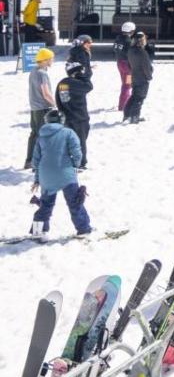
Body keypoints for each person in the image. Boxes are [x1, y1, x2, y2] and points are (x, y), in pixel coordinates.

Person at [29, 108, 91, 238]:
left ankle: (38, 232)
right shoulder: (68, 133)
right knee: (75, 202)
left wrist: (37, 179)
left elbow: (36, 161)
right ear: (62, 120)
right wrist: (76, 165)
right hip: (66, 174)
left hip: (46, 176)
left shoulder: (41, 136)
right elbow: (77, 152)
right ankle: (83, 229)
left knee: (45, 205)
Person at [57, 40, 94, 169]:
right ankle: (81, 162)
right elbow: (89, 86)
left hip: (67, 117)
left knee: (70, 141)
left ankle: (71, 160)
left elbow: (60, 100)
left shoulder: (63, 83)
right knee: (80, 142)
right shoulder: (77, 84)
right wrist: (82, 75)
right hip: (79, 117)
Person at [24, 48, 55, 171]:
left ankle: (29, 161)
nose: (53, 60)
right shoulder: (43, 73)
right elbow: (46, 93)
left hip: (34, 108)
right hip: (43, 108)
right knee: (43, 136)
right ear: (46, 59)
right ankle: (36, 164)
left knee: (34, 134)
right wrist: (55, 104)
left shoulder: (33, 71)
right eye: (51, 58)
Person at [124, 32, 153, 124]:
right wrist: (149, 77)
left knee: (134, 96)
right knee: (139, 98)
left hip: (134, 76)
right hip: (142, 78)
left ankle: (127, 115)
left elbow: (129, 65)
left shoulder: (130, 50)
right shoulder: (142, 52)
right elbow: (146, 67)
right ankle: (134, 117)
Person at [114, 21, 135, 113]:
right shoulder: (128, 41)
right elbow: (131, 54)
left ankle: (123, 102)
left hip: (119, 63)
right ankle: (123, 105)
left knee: (124, 84)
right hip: (127, 66)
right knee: (127, 85)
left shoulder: (118, 38)